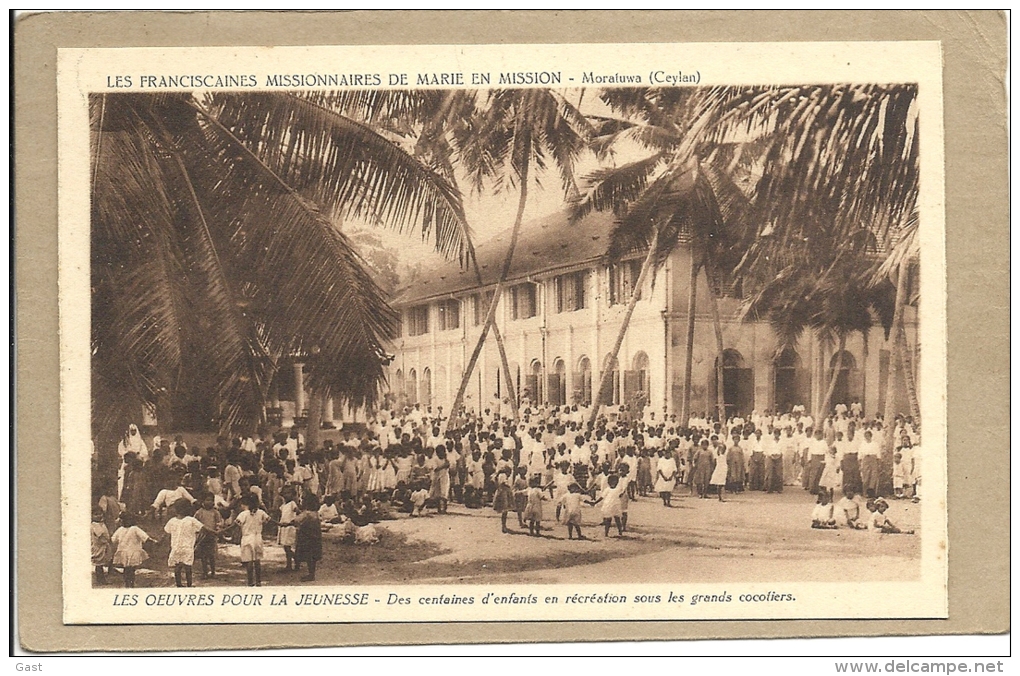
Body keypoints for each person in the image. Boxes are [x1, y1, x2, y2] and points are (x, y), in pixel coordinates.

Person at [164, 500, 214, 588]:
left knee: (177, 567)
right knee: (188, 567)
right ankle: (189, 585)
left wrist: (160, 543)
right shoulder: (191, 520)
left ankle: (179, 584)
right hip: (187, 548)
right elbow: (204, 528)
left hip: (176, 547)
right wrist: (216, 532)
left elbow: (166, 534)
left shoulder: (172, 521)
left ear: (176, 509)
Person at [233, 494, 274, 587]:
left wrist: (221, 531)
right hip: (258, 538)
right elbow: (270, 520)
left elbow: (235, 525)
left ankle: (250, 582)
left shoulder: (243, 514)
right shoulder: (261, 512)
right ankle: (258, 581)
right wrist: (281, 524)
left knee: (249, 562)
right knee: (257, 561)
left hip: (247, 538)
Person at [111, 512, 155, 588]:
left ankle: (127, 583)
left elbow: (113, 540)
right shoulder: (135, 528)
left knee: (126, 568)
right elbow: (145, 537)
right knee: (131, 569)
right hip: (133, 551)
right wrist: (153, 541)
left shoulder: (120, 529)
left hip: (124, 552)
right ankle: (130, 583)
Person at [193, 494, 224, 579]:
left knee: (212, 555)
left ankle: (213, 572)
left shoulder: (215, 512)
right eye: (207, 500)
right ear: (202, 501)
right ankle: (205, 572)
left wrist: (218, 529)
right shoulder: (199, 512)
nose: (210, 502)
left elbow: (219, 522)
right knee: (203, 555)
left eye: (211, 500)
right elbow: (195, 522)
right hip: (203, 536)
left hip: (212, 536)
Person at [294, 495, 323, 582]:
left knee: (307, 556)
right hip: (316, 538)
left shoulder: (306, 514)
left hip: (307, 538)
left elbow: (296, 520)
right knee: (312, 558)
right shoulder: (316, 514)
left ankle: (309, 574)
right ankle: (311, 574)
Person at [590, 473, 625, 538]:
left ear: (617, 482)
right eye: (611, 482)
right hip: (608, 505)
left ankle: (620, 532)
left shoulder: (618, 489)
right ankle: (606, 533)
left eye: (615, 482)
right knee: (608, 520)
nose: (613, 484)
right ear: (608, 482)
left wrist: (622, 493)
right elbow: (602, 497)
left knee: (617, 519)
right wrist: (595, 502)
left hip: (616, 506)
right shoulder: (607, 489)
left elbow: (622, 494)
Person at [278, 487, 300, 572]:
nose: (286, 495)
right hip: (284, 527)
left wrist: (295, 521)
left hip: (290, 527)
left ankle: (296, 560)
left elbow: (298, 512)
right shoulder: (283, 506)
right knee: (285, 547)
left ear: (293, 495)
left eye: (289, 493)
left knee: (288, 547)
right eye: (285, 493)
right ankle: (289, 564)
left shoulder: (292, 503)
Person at [91, 508, 113, 585]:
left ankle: (102, 578)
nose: (99, 516)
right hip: (98, 546)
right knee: (99, 563)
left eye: (100, 514)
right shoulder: (95, 525)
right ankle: (100, 580)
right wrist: (106, 540)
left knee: (102, 562)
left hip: (103, 545)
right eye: (96, 514)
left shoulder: (101, 523)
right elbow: (100, 535)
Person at [492, 467, 514, 533]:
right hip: (503, 494)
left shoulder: (501, 476)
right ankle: (503, 526)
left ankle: (504, 525)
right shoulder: (503, 476)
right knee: (504, 510)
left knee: (505, 511)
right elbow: (503, 483)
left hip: (503, 493)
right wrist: (509, 487)